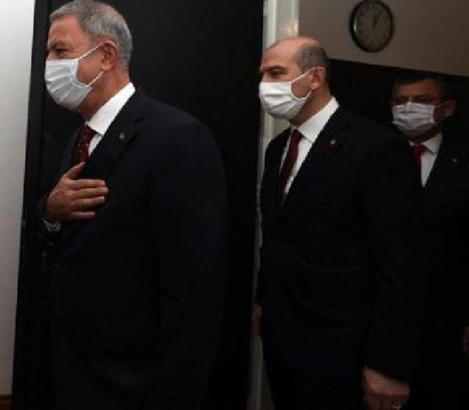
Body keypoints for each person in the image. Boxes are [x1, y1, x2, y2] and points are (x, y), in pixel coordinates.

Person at [39, 1, 228, 409]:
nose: (49, 63)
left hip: (133, 382)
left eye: (60, 51)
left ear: (106, 55)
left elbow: (194, 290)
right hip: (74, 369)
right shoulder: (79, 138)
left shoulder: (178, 137)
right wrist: (49, 214)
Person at [252, 37, 427, 410]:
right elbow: (277, 236)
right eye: (263, 75)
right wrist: (264, 300)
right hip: (284, 341)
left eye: (276, 73)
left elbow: (401, 265)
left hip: (342, 351)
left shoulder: (375, 147)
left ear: (315, 78)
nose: (265, 85)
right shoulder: (278, 147)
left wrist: (388, 364)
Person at [390, 71, 469, 409]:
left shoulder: (463, 161)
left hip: (445, 318)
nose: (409, 108)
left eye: (421, 100)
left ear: (447, 108)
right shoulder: (374, 155)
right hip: (382, 320)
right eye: (401, 101)